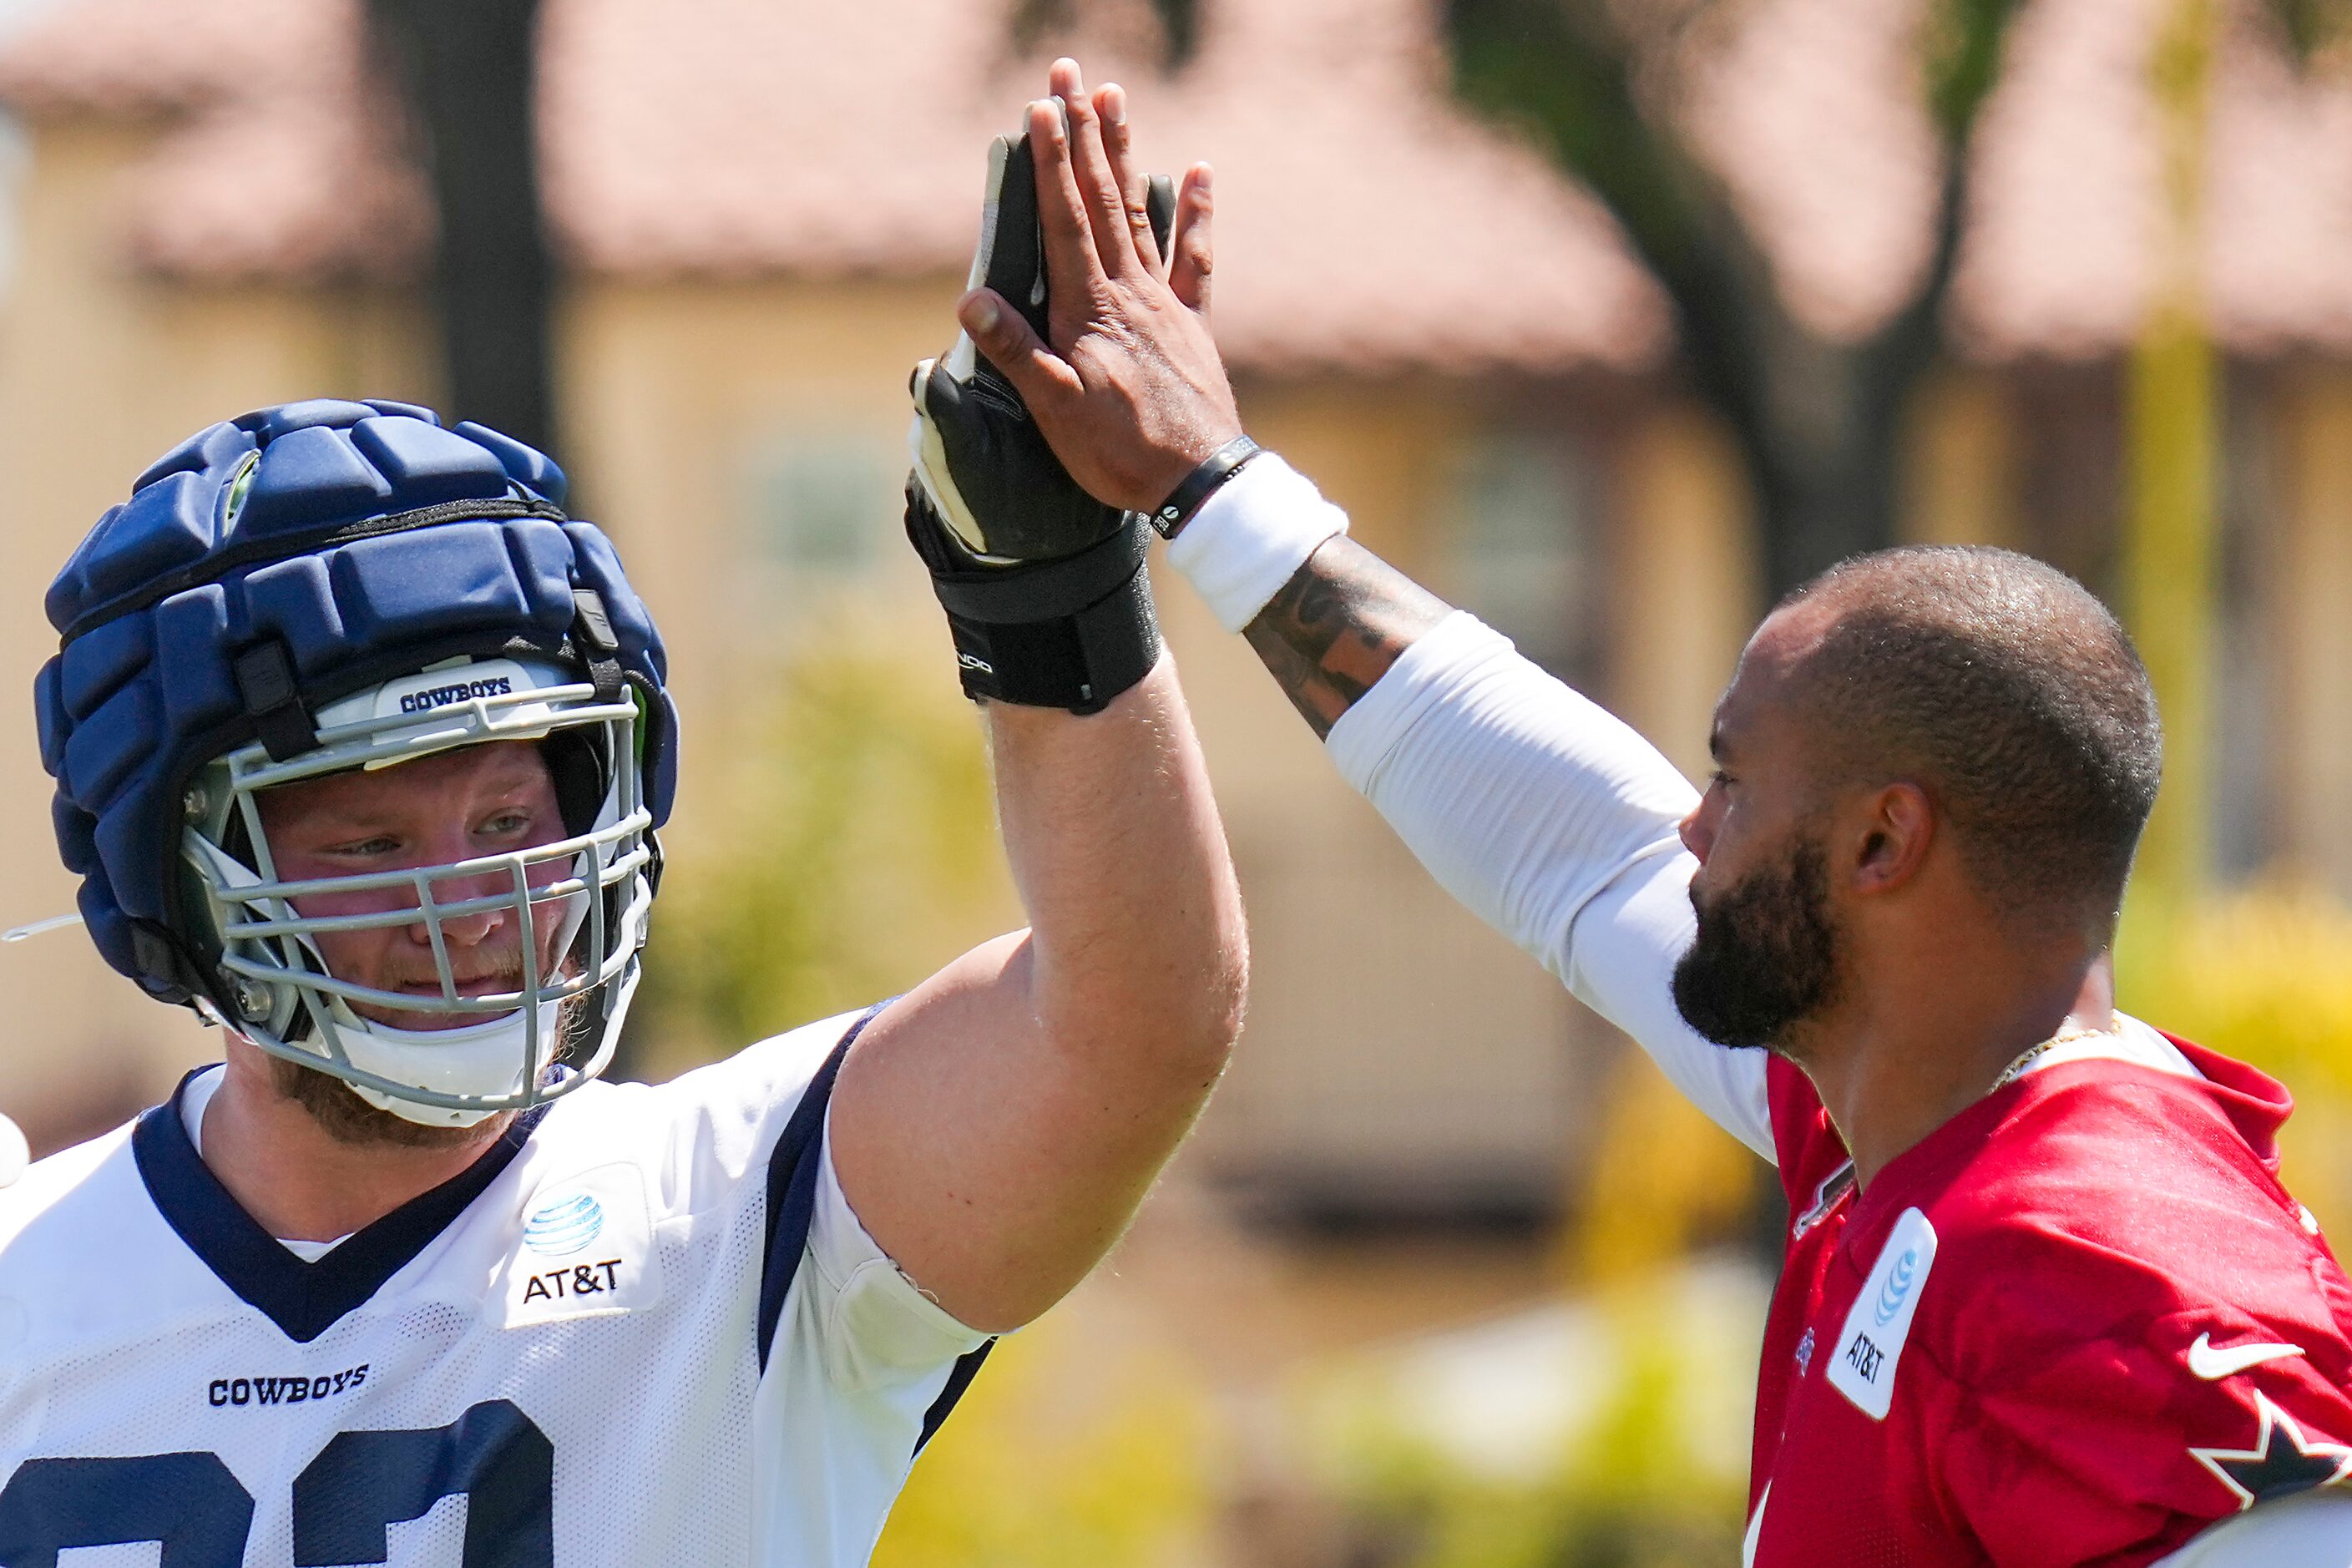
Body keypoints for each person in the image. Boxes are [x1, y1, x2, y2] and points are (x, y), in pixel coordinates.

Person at [958, 58, 2352, 1565]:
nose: (1695, 829)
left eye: (1735, 781)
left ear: (1883, 844)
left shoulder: (2104, 1248)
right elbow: (1573, 840)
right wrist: (1204, 489)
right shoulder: (1896, 1123)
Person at [0, 67, 1244, 1565]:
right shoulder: (26, 1268)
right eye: (369, 844)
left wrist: (1055, 610)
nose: (466, 900)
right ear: (179, 880)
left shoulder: (739, 1210)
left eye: (510, 813)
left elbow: (1130, 1020)